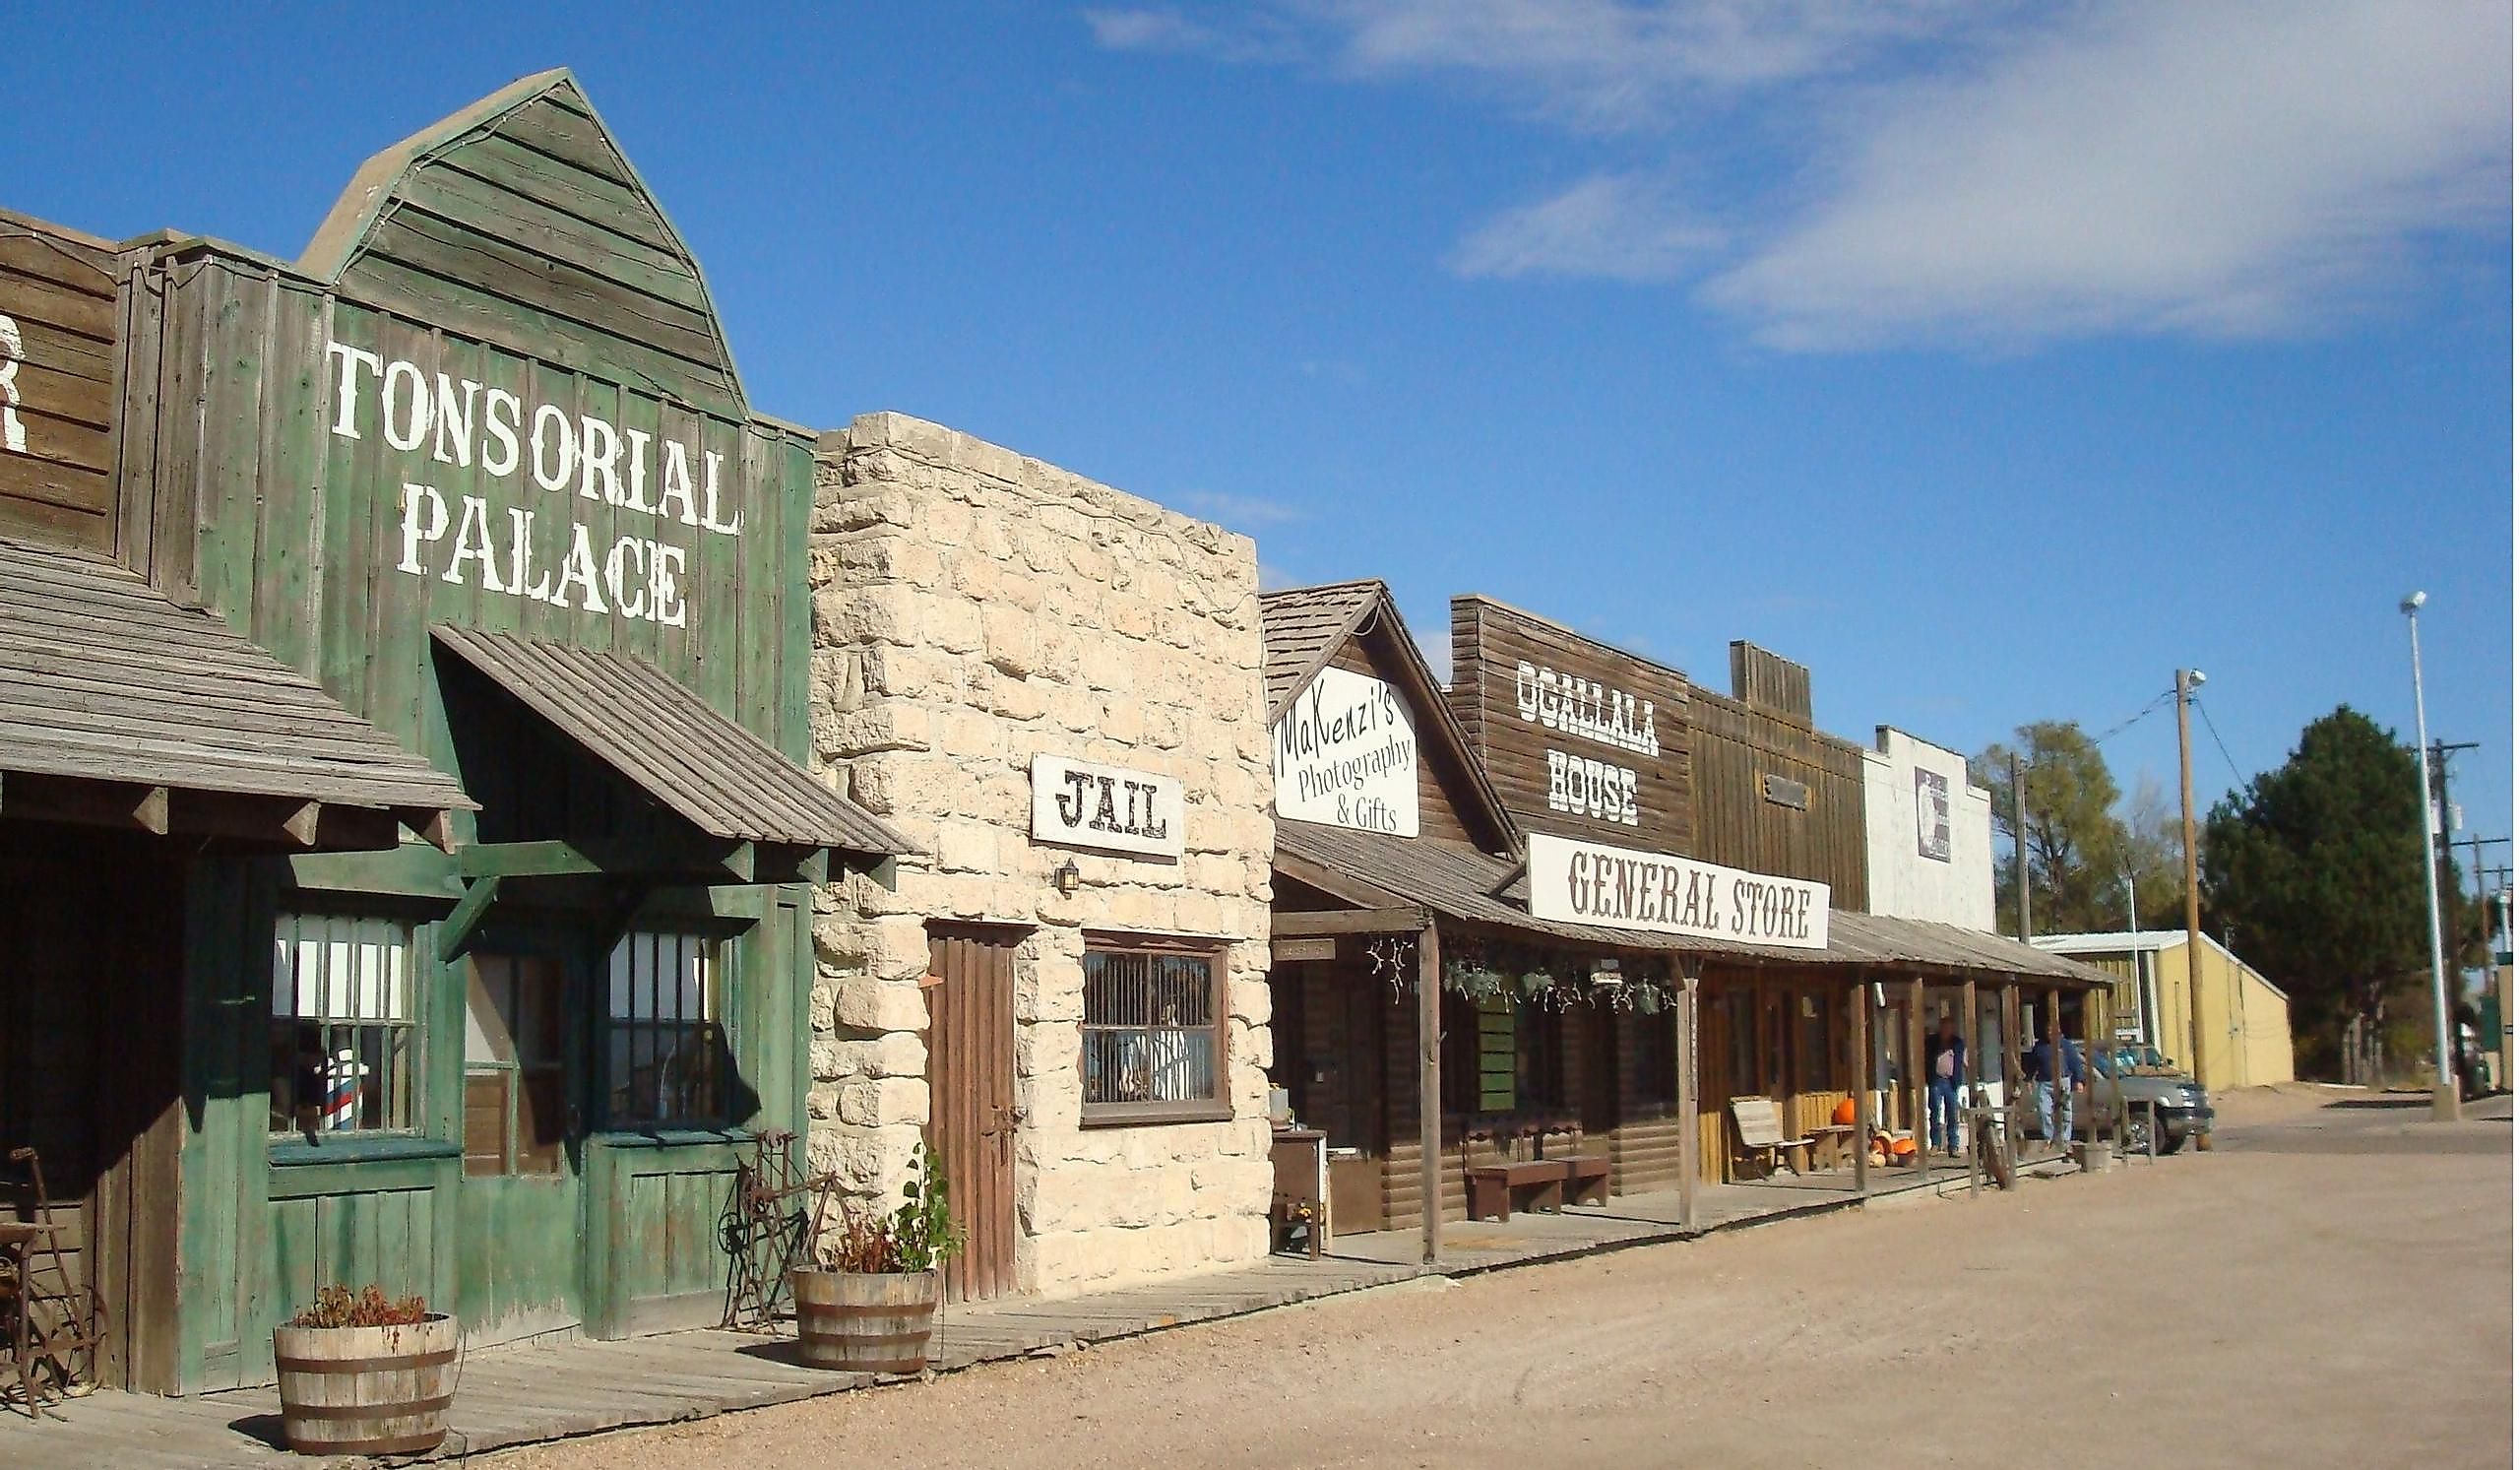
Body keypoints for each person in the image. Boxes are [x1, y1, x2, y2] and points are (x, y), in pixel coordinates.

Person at [2030, 1025, 2085, 1144]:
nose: (2050, 1034)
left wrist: (2078, 1080)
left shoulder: (2066, 1045)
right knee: (2043, 1110)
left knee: (2066, 1111)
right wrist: (2028, 1079)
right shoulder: (2039, 1047)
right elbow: (2032, 1065)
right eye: (2048, 1031)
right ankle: (2049, 1138)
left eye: (2053, 1031)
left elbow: (2075, 1063)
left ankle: (2065, 1139)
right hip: (2045, 1082)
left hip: (2063, 1081)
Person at [1926, 1016, 1966, 1156]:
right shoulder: (1932, 1042)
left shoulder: (1957, 1043)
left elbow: (1963, 1060)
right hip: (1936, 1080)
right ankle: (1935, 1144)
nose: (1946, 1030)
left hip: (1951, 1082)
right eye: (1944, 1027)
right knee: (1935, 1111)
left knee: (1952, 1113)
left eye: (1949, 1027)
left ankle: (1953, 1145)